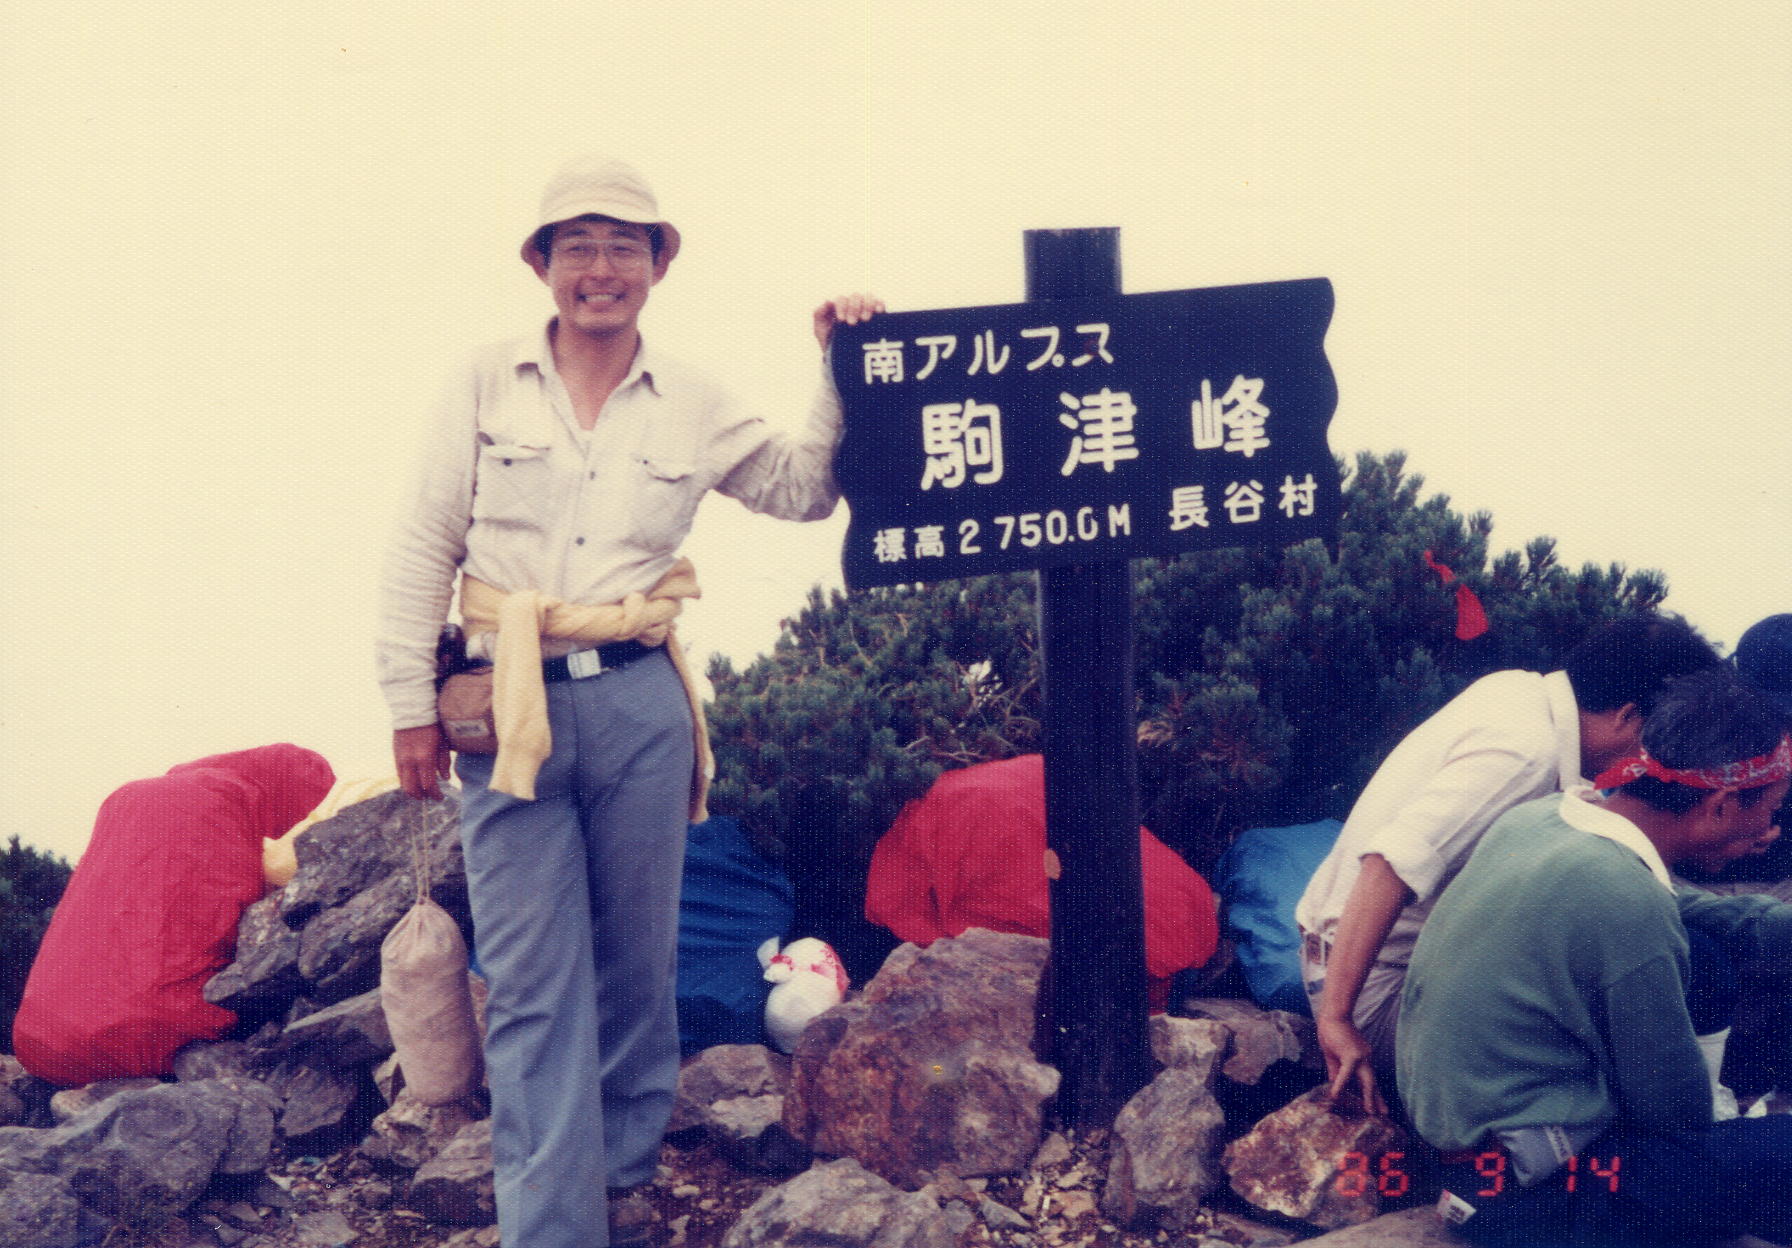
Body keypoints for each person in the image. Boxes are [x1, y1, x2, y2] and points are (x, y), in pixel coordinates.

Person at [375, 154, 881, 1248]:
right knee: (529, 979)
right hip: (508, 709)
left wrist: (838, 362)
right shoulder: (482, 381)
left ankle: (622, 1164)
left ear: (658, 264)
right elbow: (423, 543)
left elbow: (802, 490)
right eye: (577, 247)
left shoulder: (693, 400)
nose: (599, 269)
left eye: (622, 247)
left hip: (641, 706)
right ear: (542, 265)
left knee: (637, 961)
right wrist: (408, 705)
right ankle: (553, 1227)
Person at [1395, 666, 1792, 1247]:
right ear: (1723, 806)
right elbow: (1673, 1113)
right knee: (1778, 1153)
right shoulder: (1625, 898)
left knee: (1703, 958)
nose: (1771, 827)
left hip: (1461, 1160)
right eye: (1772, 808)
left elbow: (1680, 905)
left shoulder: (1544, 820)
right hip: (1531, 1196)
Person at [1295, 614, 1719, 1113]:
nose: (1653, 757)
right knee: (1606, 1033)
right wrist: (1338, 1019)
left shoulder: (1518, 691)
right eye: (1656, 736)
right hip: (1380, 990)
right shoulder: (1527, 754)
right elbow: (1389, 864)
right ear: (1627, 716)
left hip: (1360, 959)